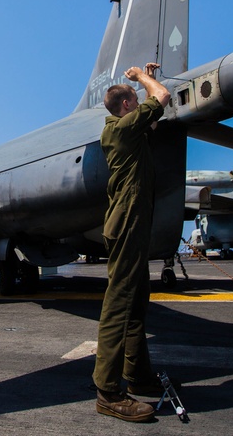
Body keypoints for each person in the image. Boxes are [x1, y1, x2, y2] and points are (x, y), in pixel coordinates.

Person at [93, 62, 171, 423]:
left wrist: (152, 75)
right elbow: (163, 98)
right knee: (119, 303)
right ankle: (108, 391)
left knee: (137, 299)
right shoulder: (123, 131)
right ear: (126, 107)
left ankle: (137, 374)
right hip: (126, 223)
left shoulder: (126, 130)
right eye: (135, 101)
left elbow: (154, 113)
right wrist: (141, 77)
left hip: (131, 223)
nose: (140, 104)